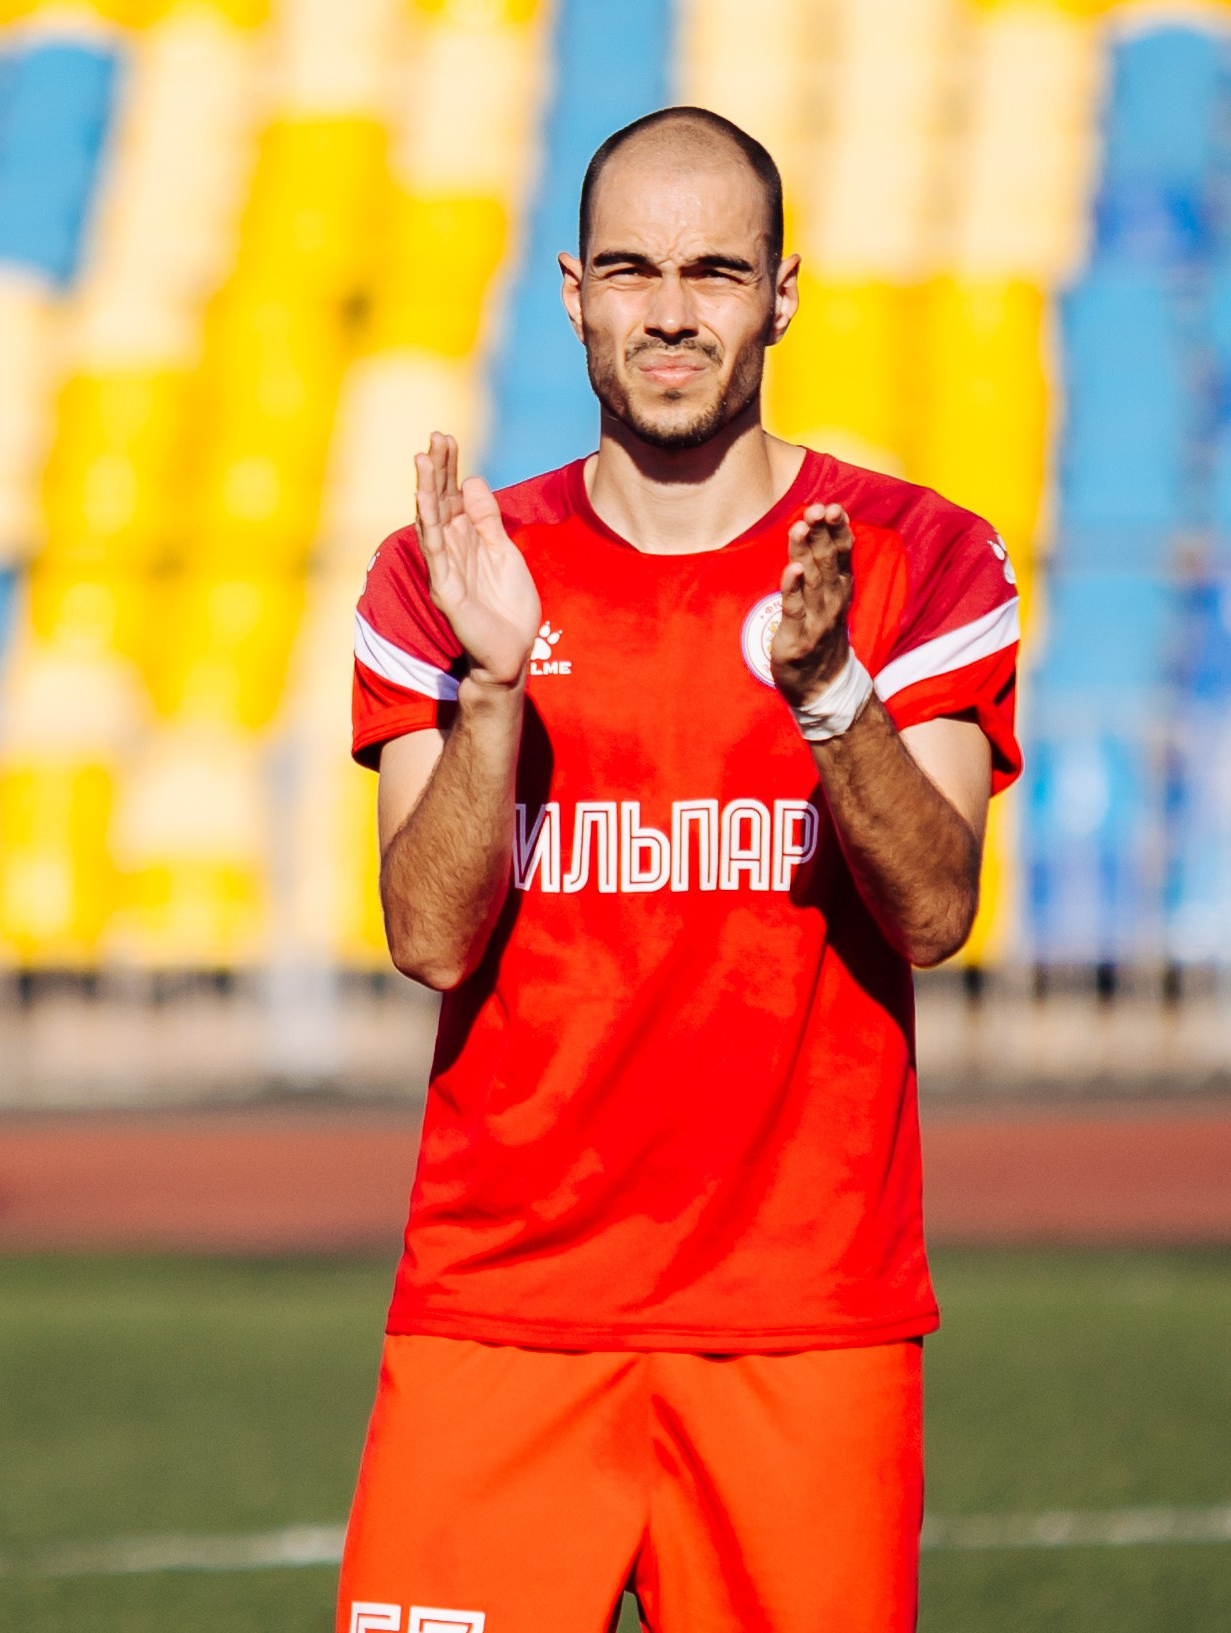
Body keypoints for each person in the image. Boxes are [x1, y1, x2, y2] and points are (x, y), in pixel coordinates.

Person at [338, 108, 1022, 1633]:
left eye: (713, 272)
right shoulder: (451, 567)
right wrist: (494, 686)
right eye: (632, 271)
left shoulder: (923, 557)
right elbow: (427, 939)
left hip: (802, 1328)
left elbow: (934, 908)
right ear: (573, 289)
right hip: (500, 1315)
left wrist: (831, 690)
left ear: (782, 293)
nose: (667, 311)